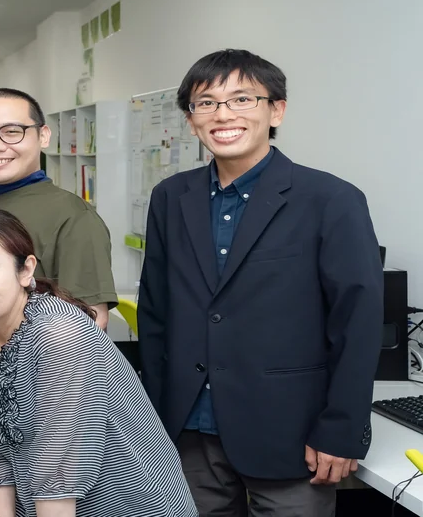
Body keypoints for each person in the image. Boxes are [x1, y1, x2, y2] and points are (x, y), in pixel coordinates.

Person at [137, 49, 383, 516]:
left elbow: (358, 323)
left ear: (277, 110)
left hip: (291, 431)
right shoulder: (171, 197)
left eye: (242, 99)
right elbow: (155, 312)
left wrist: (343, 428)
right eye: (206, 103)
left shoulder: (331, 199)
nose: (223, 114)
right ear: (191, 120)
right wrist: (151, 419)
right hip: (187, 431)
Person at [0, 205, 196, 517]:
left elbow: (57, 469)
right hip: (42, 502)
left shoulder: (60, 334)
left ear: (25, 270)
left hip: (130, 504)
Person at [0, 88, 117, 517]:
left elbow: (89, 327)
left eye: (11, 131)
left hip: (36, 418)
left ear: (43, 136)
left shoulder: (72, 216)